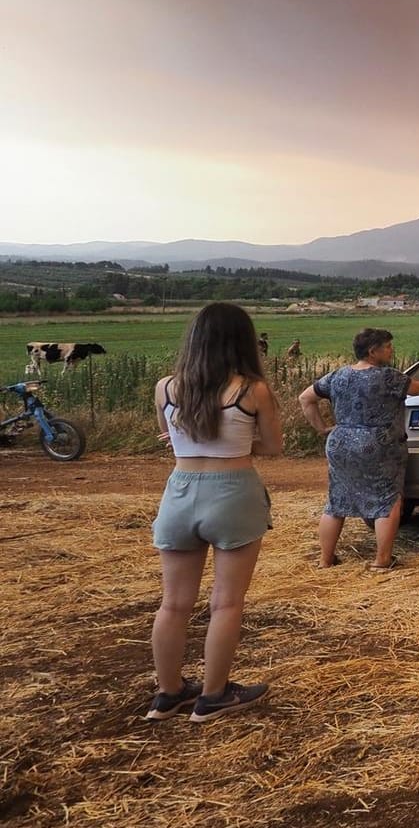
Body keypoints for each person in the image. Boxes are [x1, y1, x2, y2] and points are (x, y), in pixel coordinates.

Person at [147, 302, 284, 722]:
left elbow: (171, 438)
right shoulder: (253, 390)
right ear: (243, 340)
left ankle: (168, 693)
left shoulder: (166, 388)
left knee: (173, 604)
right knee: (226, 604)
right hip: (233, 492)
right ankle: (213, 695)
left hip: (180, 491)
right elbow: (274, 447)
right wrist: (240, 442)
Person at [299, 329, 419, 570]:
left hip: (340, 442)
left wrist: (323, 428)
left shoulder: (337, 376)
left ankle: (325, 560)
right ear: (373, 351)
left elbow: (305, 398)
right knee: (387, 500)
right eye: (388, 346)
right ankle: (382, 561)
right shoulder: (388, 377)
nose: (392, 350)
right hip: (379, 444)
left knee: (336, 501)